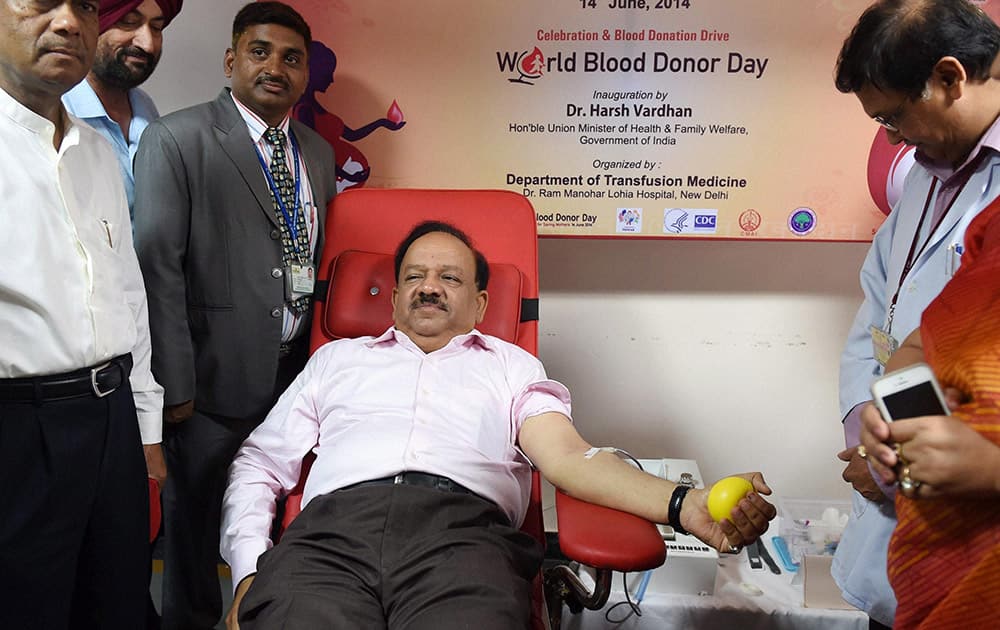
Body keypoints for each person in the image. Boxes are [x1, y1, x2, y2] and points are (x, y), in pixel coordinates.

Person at [220, 221, 777, 629]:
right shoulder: (337, 360)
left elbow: (567, 457)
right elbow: (261, 462)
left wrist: (684, 504)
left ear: (482, 303)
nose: (428, 286)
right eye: (413, 276)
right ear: (392, 299)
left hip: (461, 541)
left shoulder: (511, 367)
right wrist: (248, 567)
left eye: (449, 277)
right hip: (330, 538)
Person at [132, 2, 337, 628]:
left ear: (305, 74)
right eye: (260, 51)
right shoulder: (180, 138)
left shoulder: (318, 153)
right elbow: (156, 267)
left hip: (292, 376)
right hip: (208, 384)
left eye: (291, 58)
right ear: (231, 59)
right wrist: (175, 387)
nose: (275, 67)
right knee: (192, 533)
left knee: (274, 521)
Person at [831, 1, 1000, 626]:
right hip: (907, 507)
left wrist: (904, 454)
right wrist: (871, 432)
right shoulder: (929, 170)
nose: (894, 140)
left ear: (952, 78)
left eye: (896, 117)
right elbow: (884, 308)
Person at [0, 1, 164, 628]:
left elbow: (128, 292)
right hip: (21, 429)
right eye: (43, 1)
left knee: (118, 600)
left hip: (112, 420)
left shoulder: (97, 151)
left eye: (87, 6)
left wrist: (146, 427)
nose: (69, 22)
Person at [857, 193, 1000, 628]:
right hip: (932, 588)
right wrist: (895, 402)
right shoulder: (991, 227)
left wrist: (992, 469)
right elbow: (925, 337)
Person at [62, 0, 183, 219]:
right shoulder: (56, 109)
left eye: (156, 28)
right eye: (128, 22)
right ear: (92, 24)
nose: (147, 44)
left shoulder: (144, 106)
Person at [292, 40, 405, 193]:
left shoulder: (313, 106)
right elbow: (313, 154)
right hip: (330, 180)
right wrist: (347, 175)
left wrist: (382, 123)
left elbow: (352, 135)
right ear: (314, 71)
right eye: (328, 73)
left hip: (342, 178)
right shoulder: (304, 109)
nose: (331, 79)